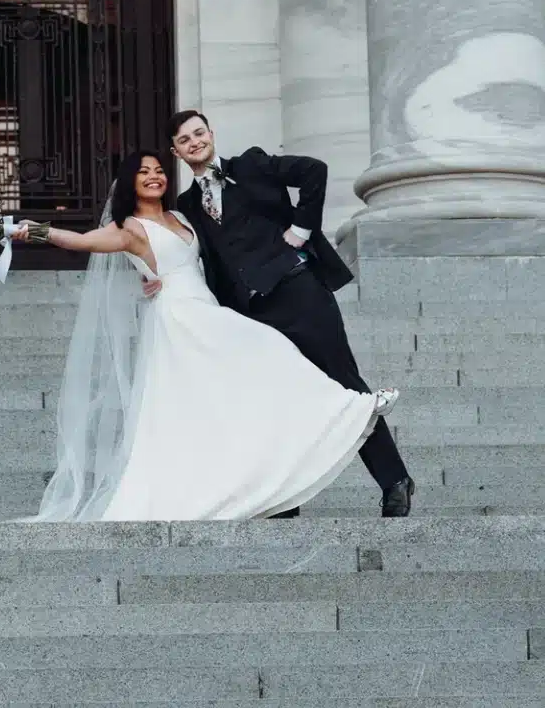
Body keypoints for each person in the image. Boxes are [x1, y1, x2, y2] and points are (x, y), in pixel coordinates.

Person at [12, 150, 399, 521]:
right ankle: (347, 407)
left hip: (208, 311)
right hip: (179, 322)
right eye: (144, 171)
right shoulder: (129, 228)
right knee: (261, 359)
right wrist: (33, 231)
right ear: (131, 181)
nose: (154, 176)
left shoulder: (183, 214)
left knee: (244, 390)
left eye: (158, 170)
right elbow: (79, 241)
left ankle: (297, 456)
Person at [168, 110, 415, 517]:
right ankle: (285, 500)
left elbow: (314, 171)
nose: (194, 142)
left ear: (211, 134)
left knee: (346, 384)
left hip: (299, 292)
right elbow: (200, 256)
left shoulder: (250, 164)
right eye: (184, 139)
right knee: (279, 401)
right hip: (251, 314)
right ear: (176, 151)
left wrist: (301, 229)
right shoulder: (187, 204)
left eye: (199, 133)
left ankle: (395, 481)